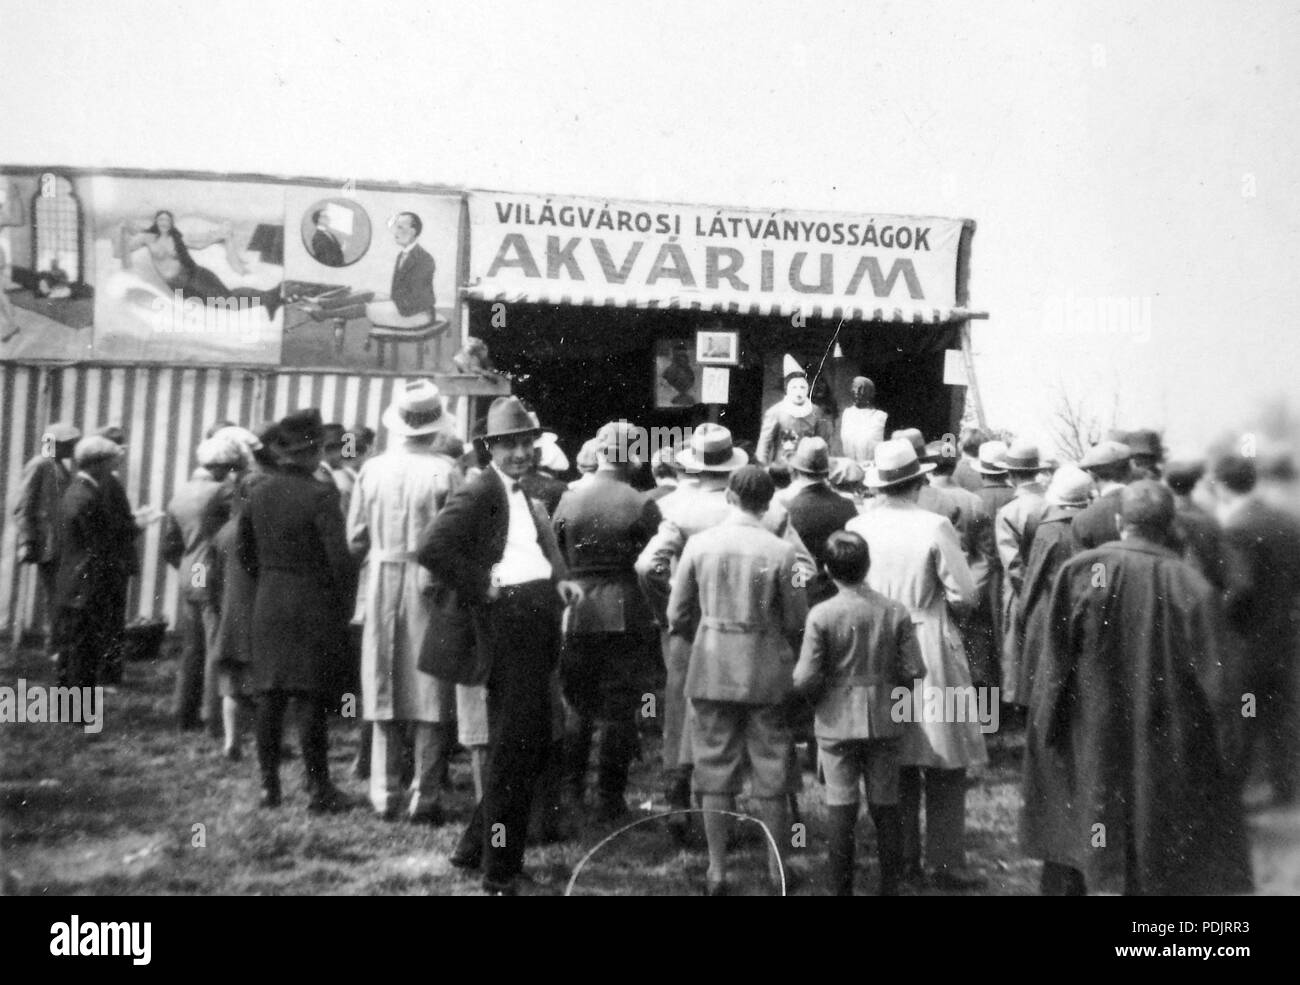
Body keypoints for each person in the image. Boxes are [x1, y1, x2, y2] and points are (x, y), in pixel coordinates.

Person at [1023, 481, 1253, 895]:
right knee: (1156, 845)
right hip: (1165, 741)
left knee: (1090, 827)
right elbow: (1222, 686)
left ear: (1118, 521)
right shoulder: (1191, 586)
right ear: (1170, 526)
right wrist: (1232, 752)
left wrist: (1046, 731)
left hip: (1091, 732)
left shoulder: (1082, 572)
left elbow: (1053, 666)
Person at [417, 396, 579, 895]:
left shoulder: (519, 491)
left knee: (524, 745)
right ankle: (500, 872)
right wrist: (481, 586)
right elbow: (431, 548)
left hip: (534, 620)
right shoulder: (479, 489)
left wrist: (555, 586)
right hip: (509, 628)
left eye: (527, 443)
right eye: (510, 445)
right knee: (515, 750)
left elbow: (523, 550)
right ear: (489, 448)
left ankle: (473, 849)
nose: (521, 453)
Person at [635, 424, 813, 834]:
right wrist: (779, 603)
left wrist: (673, 613)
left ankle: (682, 805)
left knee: (688, 720)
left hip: (696, 629)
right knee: (766, 731)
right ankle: (775, 822)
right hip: (760, 631)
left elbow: (647, 566)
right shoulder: (771, 512)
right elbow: (804, 568)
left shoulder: (676, 509)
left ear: (694, 465)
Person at [847, 439, 986, 889]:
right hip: (928, 637)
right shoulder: (934, 525)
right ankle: (945, 862)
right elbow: (965, 594)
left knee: (896, 752)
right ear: (918, 481)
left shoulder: (858, 525)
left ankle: (902, 856)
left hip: (879, 641)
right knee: (945, 757)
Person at [667, 465, 808, 895]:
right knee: (773, 767)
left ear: (730, 496)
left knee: (713, 767)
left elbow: (676, 613)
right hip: (765, 667)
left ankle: (716, 870)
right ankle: (775, 868)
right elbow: (797, 617)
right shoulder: (783, 552)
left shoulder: (699, 545)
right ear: (768, 502)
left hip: (711, 665)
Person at [348, 380, 462, 822]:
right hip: (429, 582)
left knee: (382, 681)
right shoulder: (446, 471)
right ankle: (425, 794)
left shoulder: (372, 469)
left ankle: (383, 792)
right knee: (431, 686)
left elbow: (355, 538)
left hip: (381, 578)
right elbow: (454, 536)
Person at [792, 531, 926, 895]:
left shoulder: (822, 614)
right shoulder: (895, 610)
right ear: (867, 565)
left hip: (836, 719)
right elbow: (915, 669)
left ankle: (841, 888)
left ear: (827, 569)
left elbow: (804, 677)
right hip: (885, 717)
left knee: (841, 806)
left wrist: (821, 696)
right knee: (886, 805)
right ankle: (890, 886)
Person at [237, 409, 355, 813]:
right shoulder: (322, 495)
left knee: (269, 697)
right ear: (315, 450)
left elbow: (245, 554)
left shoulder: (257, 493)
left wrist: (271, 579)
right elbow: (339, 561)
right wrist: (341, 605)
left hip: (269, 601)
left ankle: (269, 787)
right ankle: (319, 788)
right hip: (312, 603)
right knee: (310, 698)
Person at [551, 420, 663, 821]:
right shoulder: (640, 503)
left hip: (577, 610)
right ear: (633, 456)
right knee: (620, 708)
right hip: (626, 608)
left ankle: (571, 791)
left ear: (599, 453)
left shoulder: (568, 500)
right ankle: (609, 798)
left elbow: (555, 551)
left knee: (577, 704)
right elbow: (654, 558)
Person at [1212, 452, 1300, 805]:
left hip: (1248, 641)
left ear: (1222, 485)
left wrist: (1217, 617)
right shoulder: (1287, 521)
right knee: (1281, 713)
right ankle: (1284, 786)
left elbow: (1240, 587)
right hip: (1285, 636)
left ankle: (1244, 789)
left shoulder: (1237, 528)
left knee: (1247, 711)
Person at [162, 435, 243, 732]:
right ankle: (213, 715)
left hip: (189, 569)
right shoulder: (222, 492)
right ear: (221, 466)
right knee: (214, 645)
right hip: (209, 569)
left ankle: (183, 711)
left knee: (192, 646)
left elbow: (170, 545)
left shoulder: (182, 492)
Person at [51, 437, 137, 688]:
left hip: (74, 582)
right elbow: (101, 543)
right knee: (83, 653)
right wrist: (135, 528)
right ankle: (78, 708)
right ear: (96, 463)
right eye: (111, 462)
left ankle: (68, 706)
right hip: (86, 585)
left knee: (73, 651)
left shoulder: (77, 491)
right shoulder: (87, 496)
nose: (113, 467)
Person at [1012, 464, 1090, 710]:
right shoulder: (1091, 525)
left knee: (1045, 680)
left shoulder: (1048, 530)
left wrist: (1023, 611)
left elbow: (1034, 575)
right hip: (1083, 607)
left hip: (1048, 607)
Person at [121, 210, 282, 318]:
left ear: (171, 224)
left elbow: (200, 244)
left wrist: (218, 235)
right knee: (222, 305)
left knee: (228, 300)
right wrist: (123, 232)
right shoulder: (147, 239)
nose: (164, 222)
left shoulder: (177, 238)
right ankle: (268, 298)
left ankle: (268, 297)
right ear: (156, 222)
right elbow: (124, 250)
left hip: (196, 278)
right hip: (179, 288)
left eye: (167, 220)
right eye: (161, 219)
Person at [14, 422, 81, 658]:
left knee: (61, 594)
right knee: (55, 595)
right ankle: (54, 646)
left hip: (63, 543)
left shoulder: (59, 466)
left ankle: (58, 644)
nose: (72, 448)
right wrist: (27, 540)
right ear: (55, 444)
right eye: (68, 444)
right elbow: (23, 507)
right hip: (49, 544)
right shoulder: (40, 465)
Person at [306, 211, 435, 328]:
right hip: (402, 304)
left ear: (412, 232)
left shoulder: (424, 259)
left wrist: (385, 304)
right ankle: (324, 303)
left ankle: (323, 314)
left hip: (416, 313)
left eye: (400, 227)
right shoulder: (404, 254)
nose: (395, 232)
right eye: (395, 227)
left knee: (366, 307)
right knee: (367, 294)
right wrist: (389, 301)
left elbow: (418, 299)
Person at [992, 440, 1047, 708]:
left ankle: (1019, 701)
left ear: (1011, 475)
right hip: (1050, 588)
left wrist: (1027, 593)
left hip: (1021, 592)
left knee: (1018, 649)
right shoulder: (1052, 503)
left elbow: (1013, 563)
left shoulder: (1009, 511)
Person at [784, 437, 858, 608]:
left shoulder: (788, 509)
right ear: (827, 472)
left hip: (802, 594)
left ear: (797, 470)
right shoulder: (847, 506)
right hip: (838, 594)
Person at [967, 440, 1014, 689]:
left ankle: (989, 701)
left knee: (983, 642)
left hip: (982, 578)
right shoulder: (1016, 497)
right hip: (1012, 577)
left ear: (982, 471)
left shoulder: (974, 500)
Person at [756, 354, 835, 465]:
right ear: (787, 389)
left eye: (802, 387)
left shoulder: (816, 411)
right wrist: (762, 466)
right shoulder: (775, 412)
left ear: (807, 389)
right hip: (782, 466)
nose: (798, 392)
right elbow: (765, 443)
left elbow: (823, 441)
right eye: (794, 387)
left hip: (808, 466)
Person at [1070, 439, 1133, 550]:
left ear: (1092, 475)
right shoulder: (1152, 505)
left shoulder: (1083, 520)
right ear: (1129, 470)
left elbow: (1083, 561)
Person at [839, 376, 888, 464]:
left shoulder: (880, 416)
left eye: (862, 388)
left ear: (872, 393)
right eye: (854, 387)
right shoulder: (847, 414)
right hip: (851, 468)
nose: (857, 391)